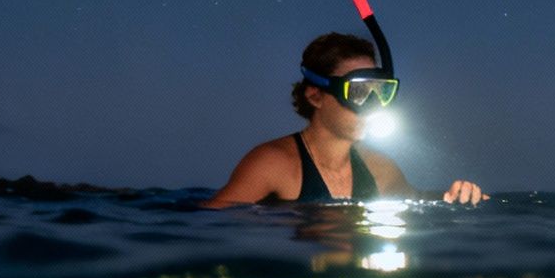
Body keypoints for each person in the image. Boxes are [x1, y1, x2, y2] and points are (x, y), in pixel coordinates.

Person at [204, 32, 486, 207]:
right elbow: (211, 224)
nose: (371, 105)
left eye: (380, 91)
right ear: (315, 96)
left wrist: (459, 195)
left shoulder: (381, 170)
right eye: (359, 92)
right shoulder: (272, 164)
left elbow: (423, 201)